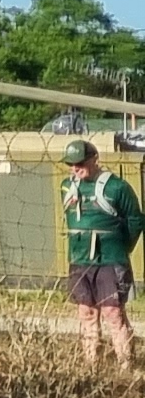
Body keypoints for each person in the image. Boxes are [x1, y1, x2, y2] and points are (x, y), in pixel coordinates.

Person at [65, 139, 140, 368]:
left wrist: (121, 245)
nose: (75, 168)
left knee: (113, 312)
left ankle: (125, 365)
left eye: (80, 163)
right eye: (71, 164)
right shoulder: (67, 187)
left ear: (94, 159)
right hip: (80, 259)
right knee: (86, 312)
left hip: (110, 258)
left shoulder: (118, 187)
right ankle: (91, 366)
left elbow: (135, 220)